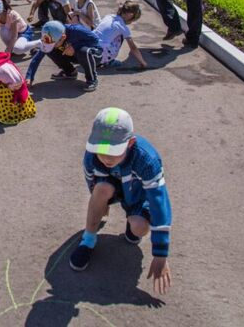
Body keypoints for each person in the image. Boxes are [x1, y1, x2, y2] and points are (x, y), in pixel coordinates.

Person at [69, 107, 172, 298]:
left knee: (139, 229)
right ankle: (88, 240)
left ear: (130, 143)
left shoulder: (147, 159)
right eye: (102, 149)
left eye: (114, 151)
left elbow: (159, 202)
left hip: (138, 195)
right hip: (112, 186)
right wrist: (101, 204)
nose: (107, 157)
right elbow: (90, 180)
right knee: (101, 190)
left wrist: (161, 253)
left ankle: (132, 221)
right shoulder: (92, 156)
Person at [25, 20, 102, 92]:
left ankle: (92, 79)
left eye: (54, 43)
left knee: (84, 51)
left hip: (94, 55)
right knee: (49, 50)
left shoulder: (78, 30)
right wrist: (29, 77)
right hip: (73, 54)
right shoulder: (50, 35)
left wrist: (75, 47)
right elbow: (37, 58)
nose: (53, 45)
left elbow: (95, 40)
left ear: (63, 37)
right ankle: (70, 72)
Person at [94, 0, 148, 69]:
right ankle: (108, 61)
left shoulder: (109, 16)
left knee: (110, 35)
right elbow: (133, 48)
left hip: (90, 49)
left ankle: (99, 60)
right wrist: (143, 63)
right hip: (99, 55)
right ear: (130, 15)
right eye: (133, 19)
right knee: (121, 36)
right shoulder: (122, 27)